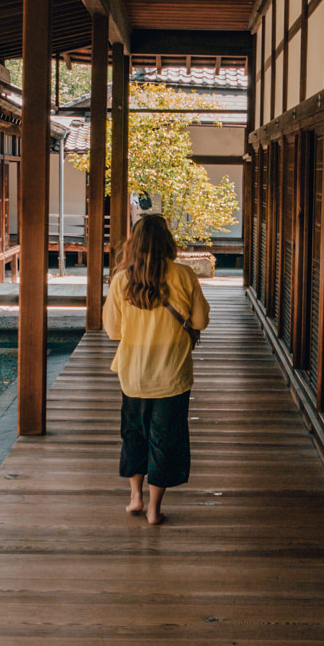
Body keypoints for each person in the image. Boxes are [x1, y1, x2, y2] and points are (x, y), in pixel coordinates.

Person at [102, 214, 210, 526]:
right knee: (165, 438)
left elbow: (112, 330)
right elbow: (200, 321)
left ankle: (135, 497)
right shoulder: (184, 275)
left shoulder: (122, 280)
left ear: (133, 243)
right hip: (172, 375)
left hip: (134, 374)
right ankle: (154, 509)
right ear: (167, 241)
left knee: (134, 434)